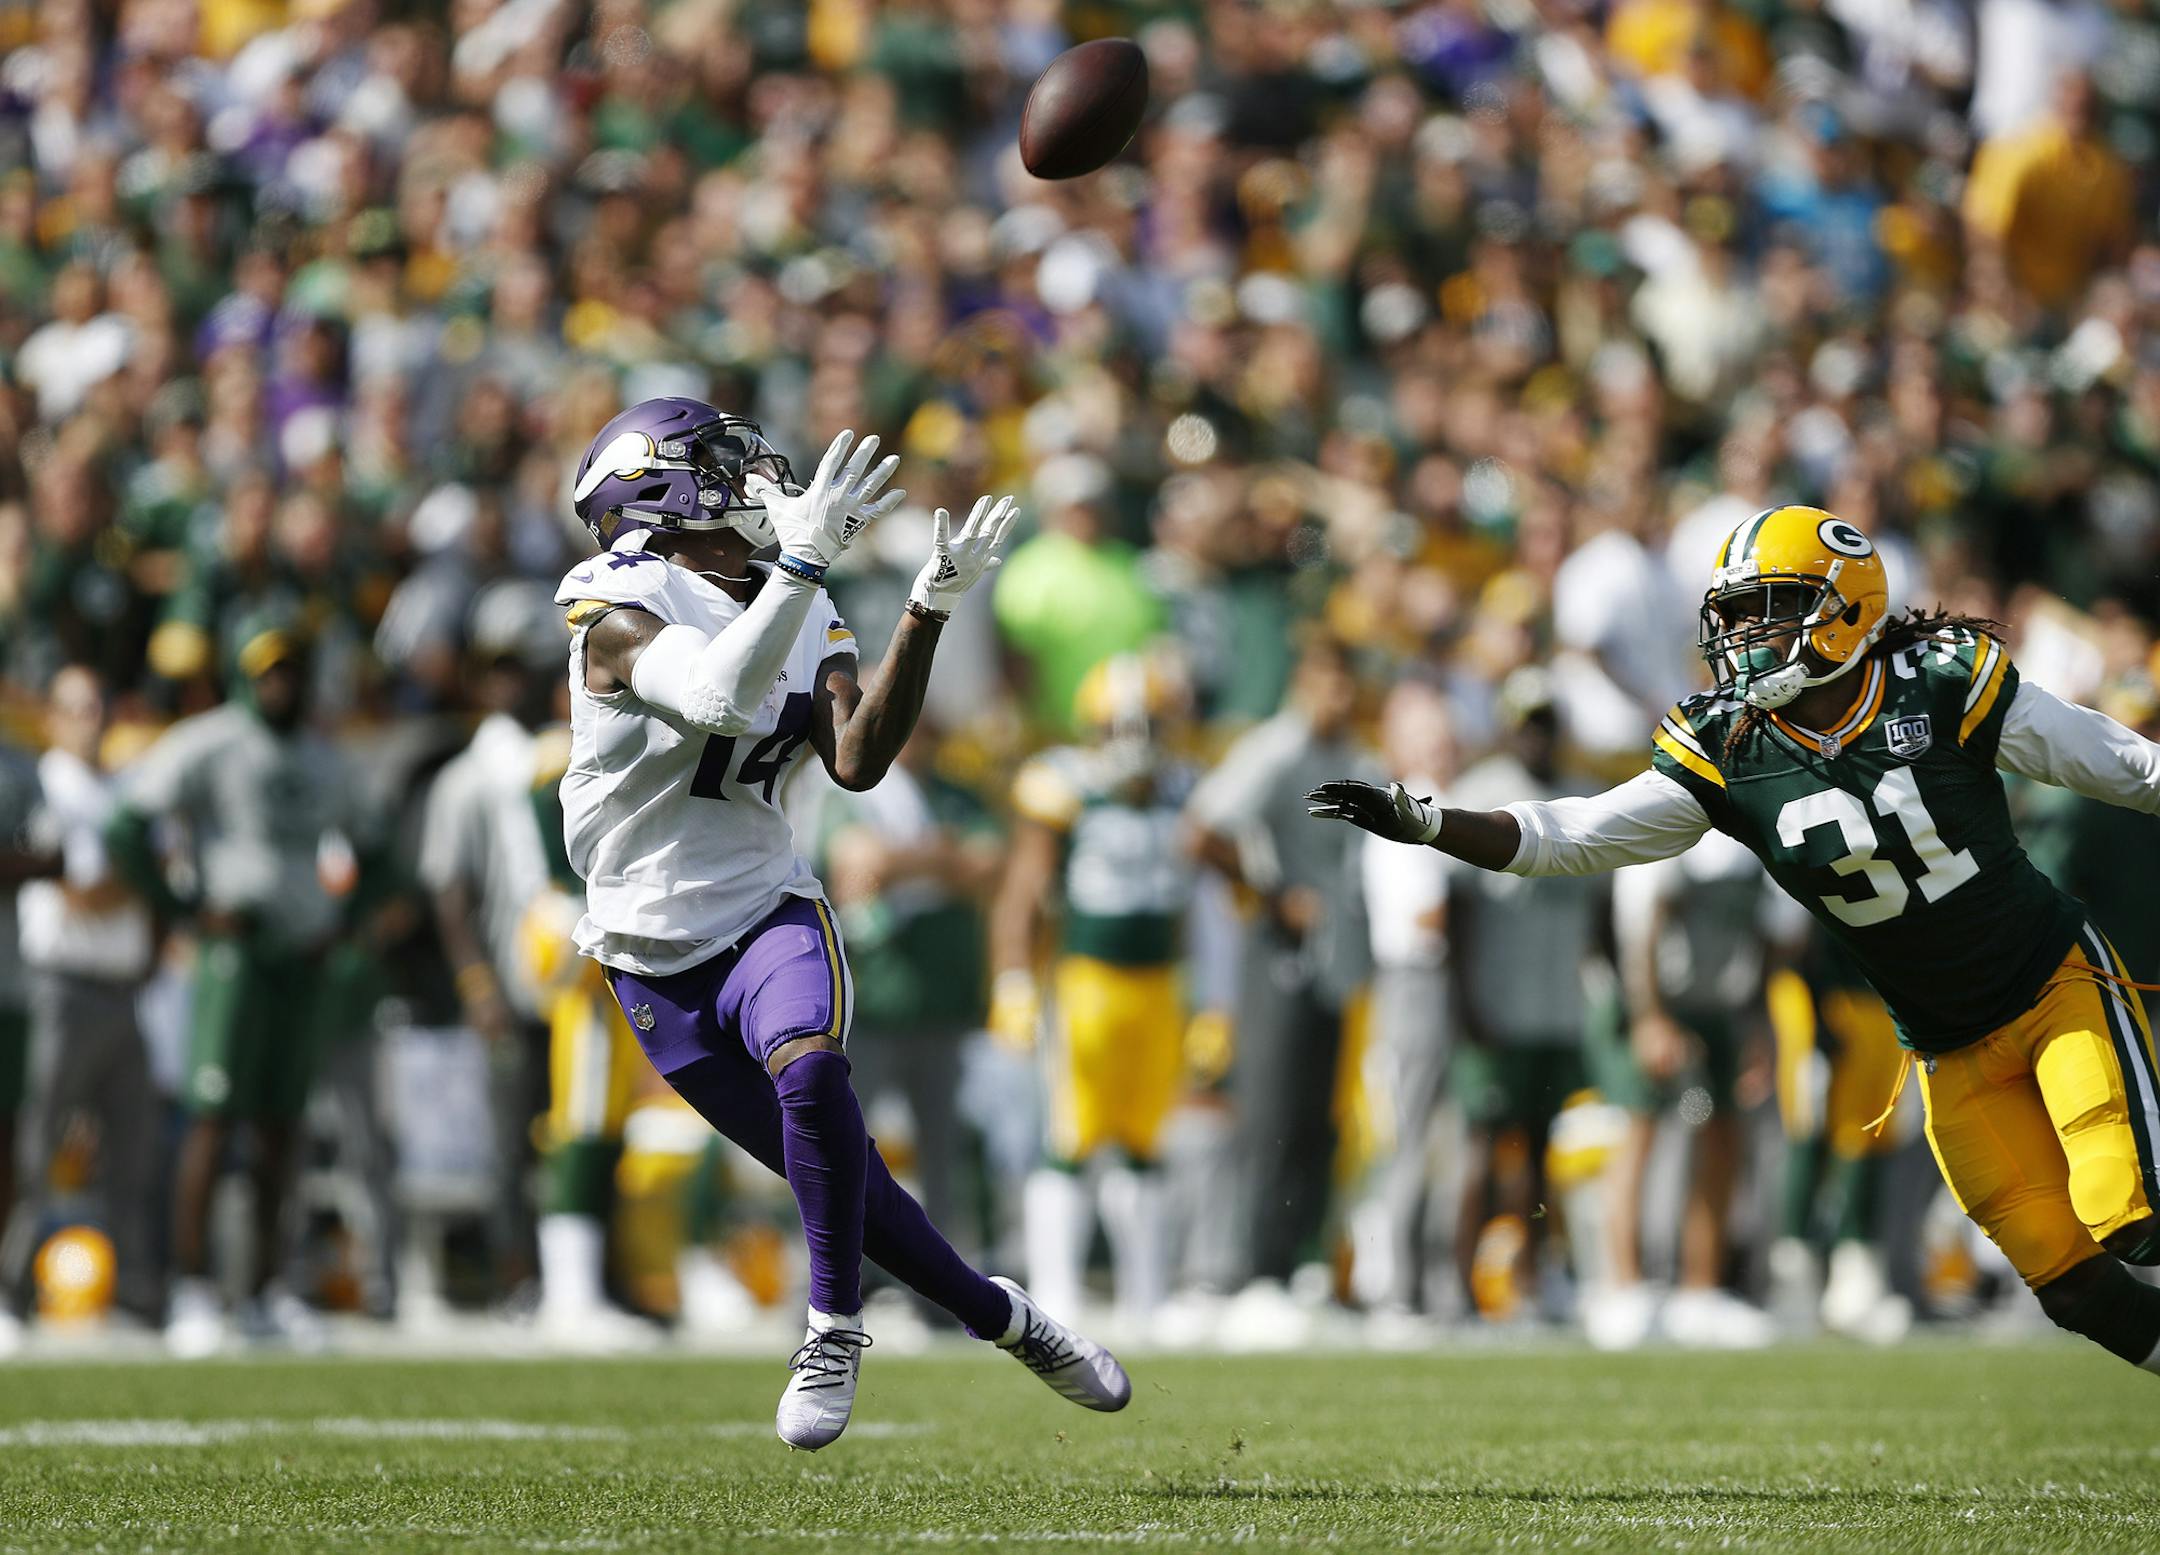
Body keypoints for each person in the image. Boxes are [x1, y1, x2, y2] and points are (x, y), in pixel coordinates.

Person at [1310, 504, 2160, 1379]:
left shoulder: (1942, 682)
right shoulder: (1734, 744)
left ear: (1848, 605)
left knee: (2128, 1206)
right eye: (1737, 614)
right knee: (2070, 1286)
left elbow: (2126, 766)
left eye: (1772, 606)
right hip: (1943, 1045)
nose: (1747, 635)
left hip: (2054, 988)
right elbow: (1577, 834)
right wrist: (1430, 820)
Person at [556, 397, 1128, 1450]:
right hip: (647, 948)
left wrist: (929, 611)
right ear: (659, 488)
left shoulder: (799, 596)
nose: (759, 478)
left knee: (811, 1073)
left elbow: (856, 758)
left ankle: (831, 1326)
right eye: (724, 464)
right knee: (849, 1182)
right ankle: (1005, 1314)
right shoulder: (617, 595)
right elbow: (721, 698)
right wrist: (802, 568)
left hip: (769, 903)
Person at [106, 614, 354, 1356]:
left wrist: (344, 921)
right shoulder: (210, 741)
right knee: (213, 1118)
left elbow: (375, 849)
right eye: (269, 669)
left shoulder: (323, 755)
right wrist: (184, 908)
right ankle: (193, 1289)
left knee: (282, 1125)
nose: (282, 682)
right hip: (234, 954)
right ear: (248, 674)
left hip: (298, 956)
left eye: (292, 669)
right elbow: (129, 824)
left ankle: (266, 1291)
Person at [990, 650, 1198, 1331]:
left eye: (1148, 725)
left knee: (1144, 1141)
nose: (1136, 743)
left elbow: (1209, 909)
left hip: (1160, 983)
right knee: (1071, 1138)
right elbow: (1024, 891)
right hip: (1086, 982)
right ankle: (1058, 1292)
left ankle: (1147, 1296)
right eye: (1120, 726)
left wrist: (1215, 1002)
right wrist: (1015, 980)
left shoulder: (1186, 792)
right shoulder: (1064, 785)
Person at [1188, 633, 1374, 1330]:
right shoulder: (1276, 750)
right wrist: (1269, 895)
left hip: (1333, 962)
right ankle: (1246, 1271)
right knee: (1265, 1113)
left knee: (1313, 1119)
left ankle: (1296, 1262)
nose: (1341, 696)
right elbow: (1200, 829)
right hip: (1277, 950)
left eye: (1347, 682)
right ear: (1303, 682)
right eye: (1329, 681)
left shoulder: (1355, 756)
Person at [0, 666, 159, 1347]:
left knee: (134, 1149)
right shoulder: (44, 782)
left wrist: (125, 884)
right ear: (53, 716)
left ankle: (138, 1294)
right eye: (76, 707)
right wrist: (120, 882)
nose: (89, 718)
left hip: (125, 983)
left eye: (97, 704)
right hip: (59, 981)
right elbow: (72, 882)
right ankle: (10, 1293)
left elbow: (154, 877)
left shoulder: (125, 786)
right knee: (37, 1144)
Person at [1443, 668, 1600, 1321]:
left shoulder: (1582, 798)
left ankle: (1535, 1281)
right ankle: (1453, 1289)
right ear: (1508, 728)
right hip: (1496, 1005)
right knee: (1482, 1143)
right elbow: (1455, 911)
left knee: (1541, 1148)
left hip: (1558, 1004)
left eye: (1547, 724)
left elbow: (1603, 910)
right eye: (1527, 723)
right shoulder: (1480, 795)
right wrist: (1465, 1003)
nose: (1538, 737)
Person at [1589, 830, 1778, 1350]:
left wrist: (1758, 1024)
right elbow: (1641, 930)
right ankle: (1622, 1289)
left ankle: (1700, 1290)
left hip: (1720, 1010)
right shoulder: (1676, 822)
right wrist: (1650, 1019)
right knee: (1639, 1134)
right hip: (1654, 1003)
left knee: (1721, 1140)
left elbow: (1765, 940)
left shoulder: (1753, 830)